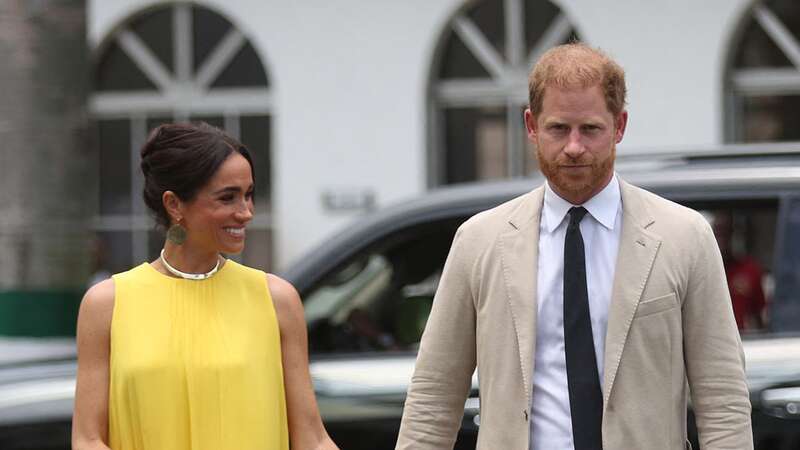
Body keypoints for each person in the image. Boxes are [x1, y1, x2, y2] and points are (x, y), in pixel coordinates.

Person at [396, 43, 752, 449]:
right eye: (559, 128)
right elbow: (434, 394)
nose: (574, 147)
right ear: (531, 126)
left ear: (619, 126)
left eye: (591, 129)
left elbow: (722, 395)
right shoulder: (480, 240)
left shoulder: (683, 236)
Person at [72, 122, 339, 450]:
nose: (246, 212)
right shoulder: (107, 304)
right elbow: (88, 439)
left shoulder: (277, 300)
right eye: (228, 198)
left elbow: (312, 440)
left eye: (249, 195)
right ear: (174, 205)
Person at [713, 211, 767, 330]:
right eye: (717, 232)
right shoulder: (698, 270)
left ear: (732, 234)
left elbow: (759, 315)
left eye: (725, 232)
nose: (720, 238)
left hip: (743, 340)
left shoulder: (750, 269)